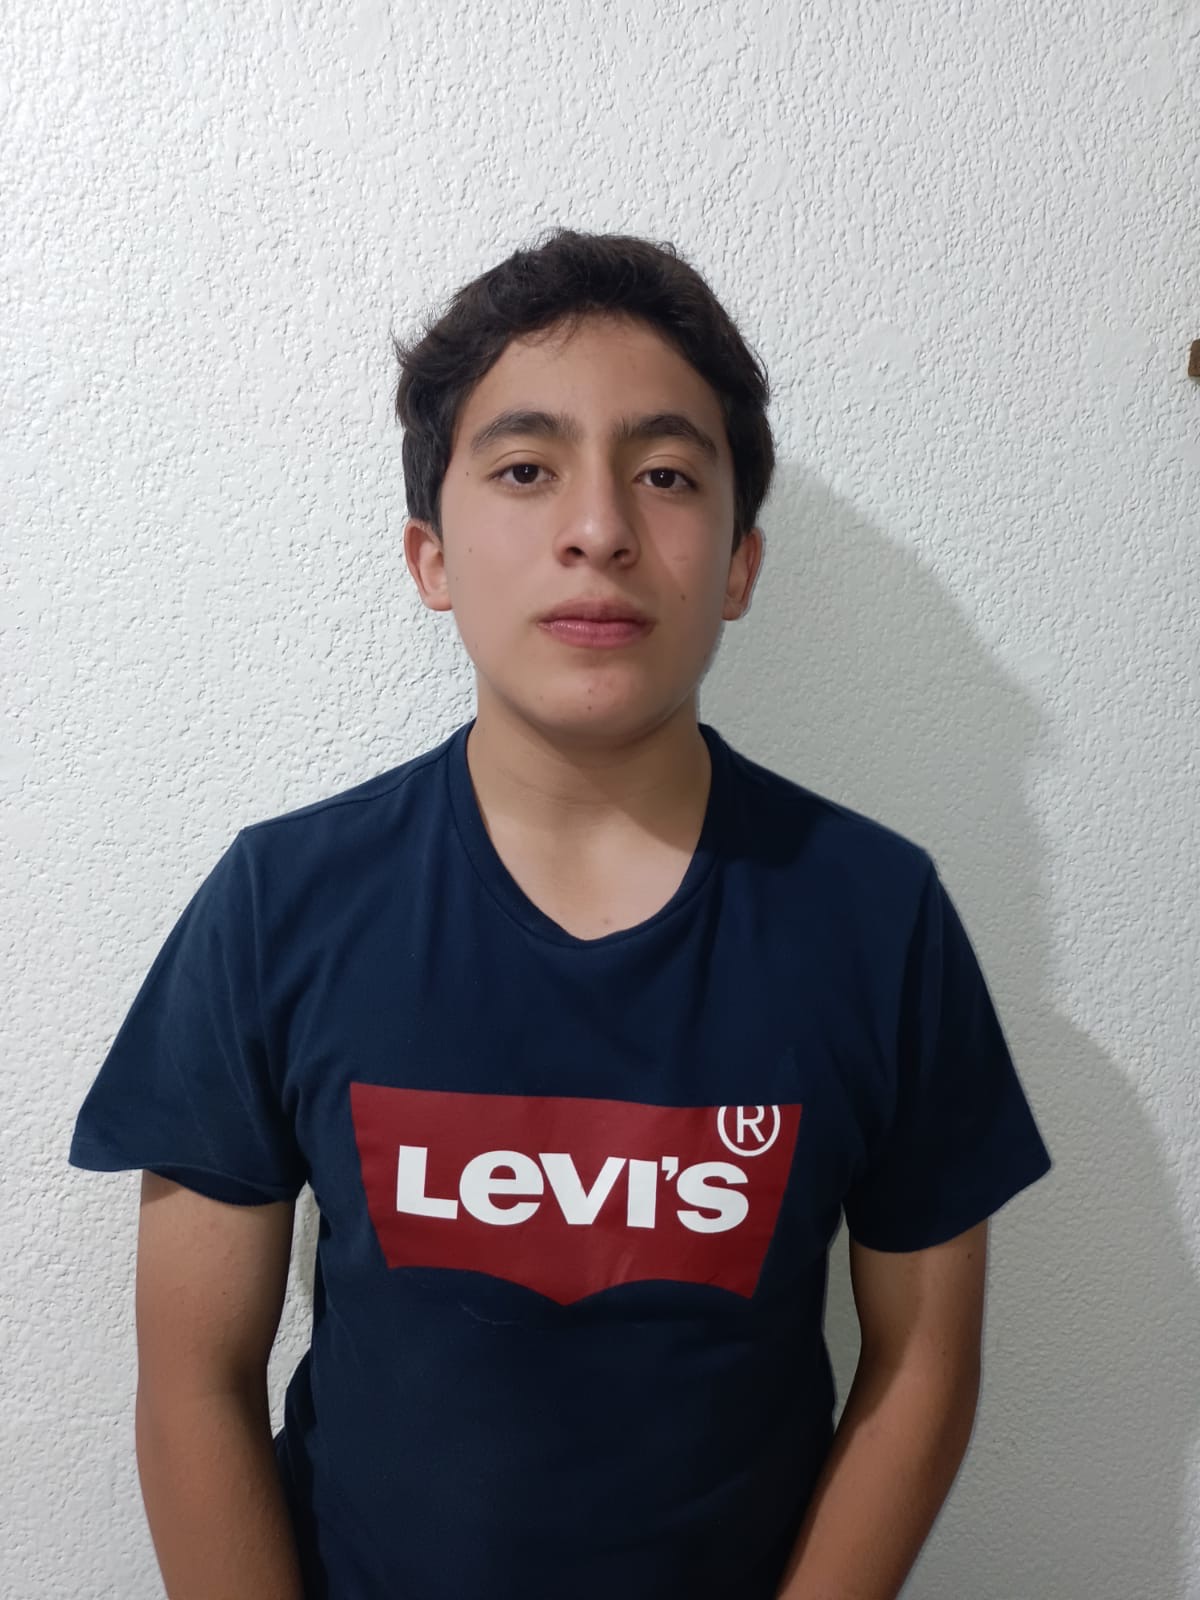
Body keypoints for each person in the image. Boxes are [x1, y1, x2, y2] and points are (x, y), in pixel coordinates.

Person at [69, 227, 1052, 1600]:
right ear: (431, 556)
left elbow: (924, 1366)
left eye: (666, 474)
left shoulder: (878, 919)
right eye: (527, 469)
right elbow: (192, 1382)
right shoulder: (279, 906)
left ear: (740, 566)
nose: (599, 529)